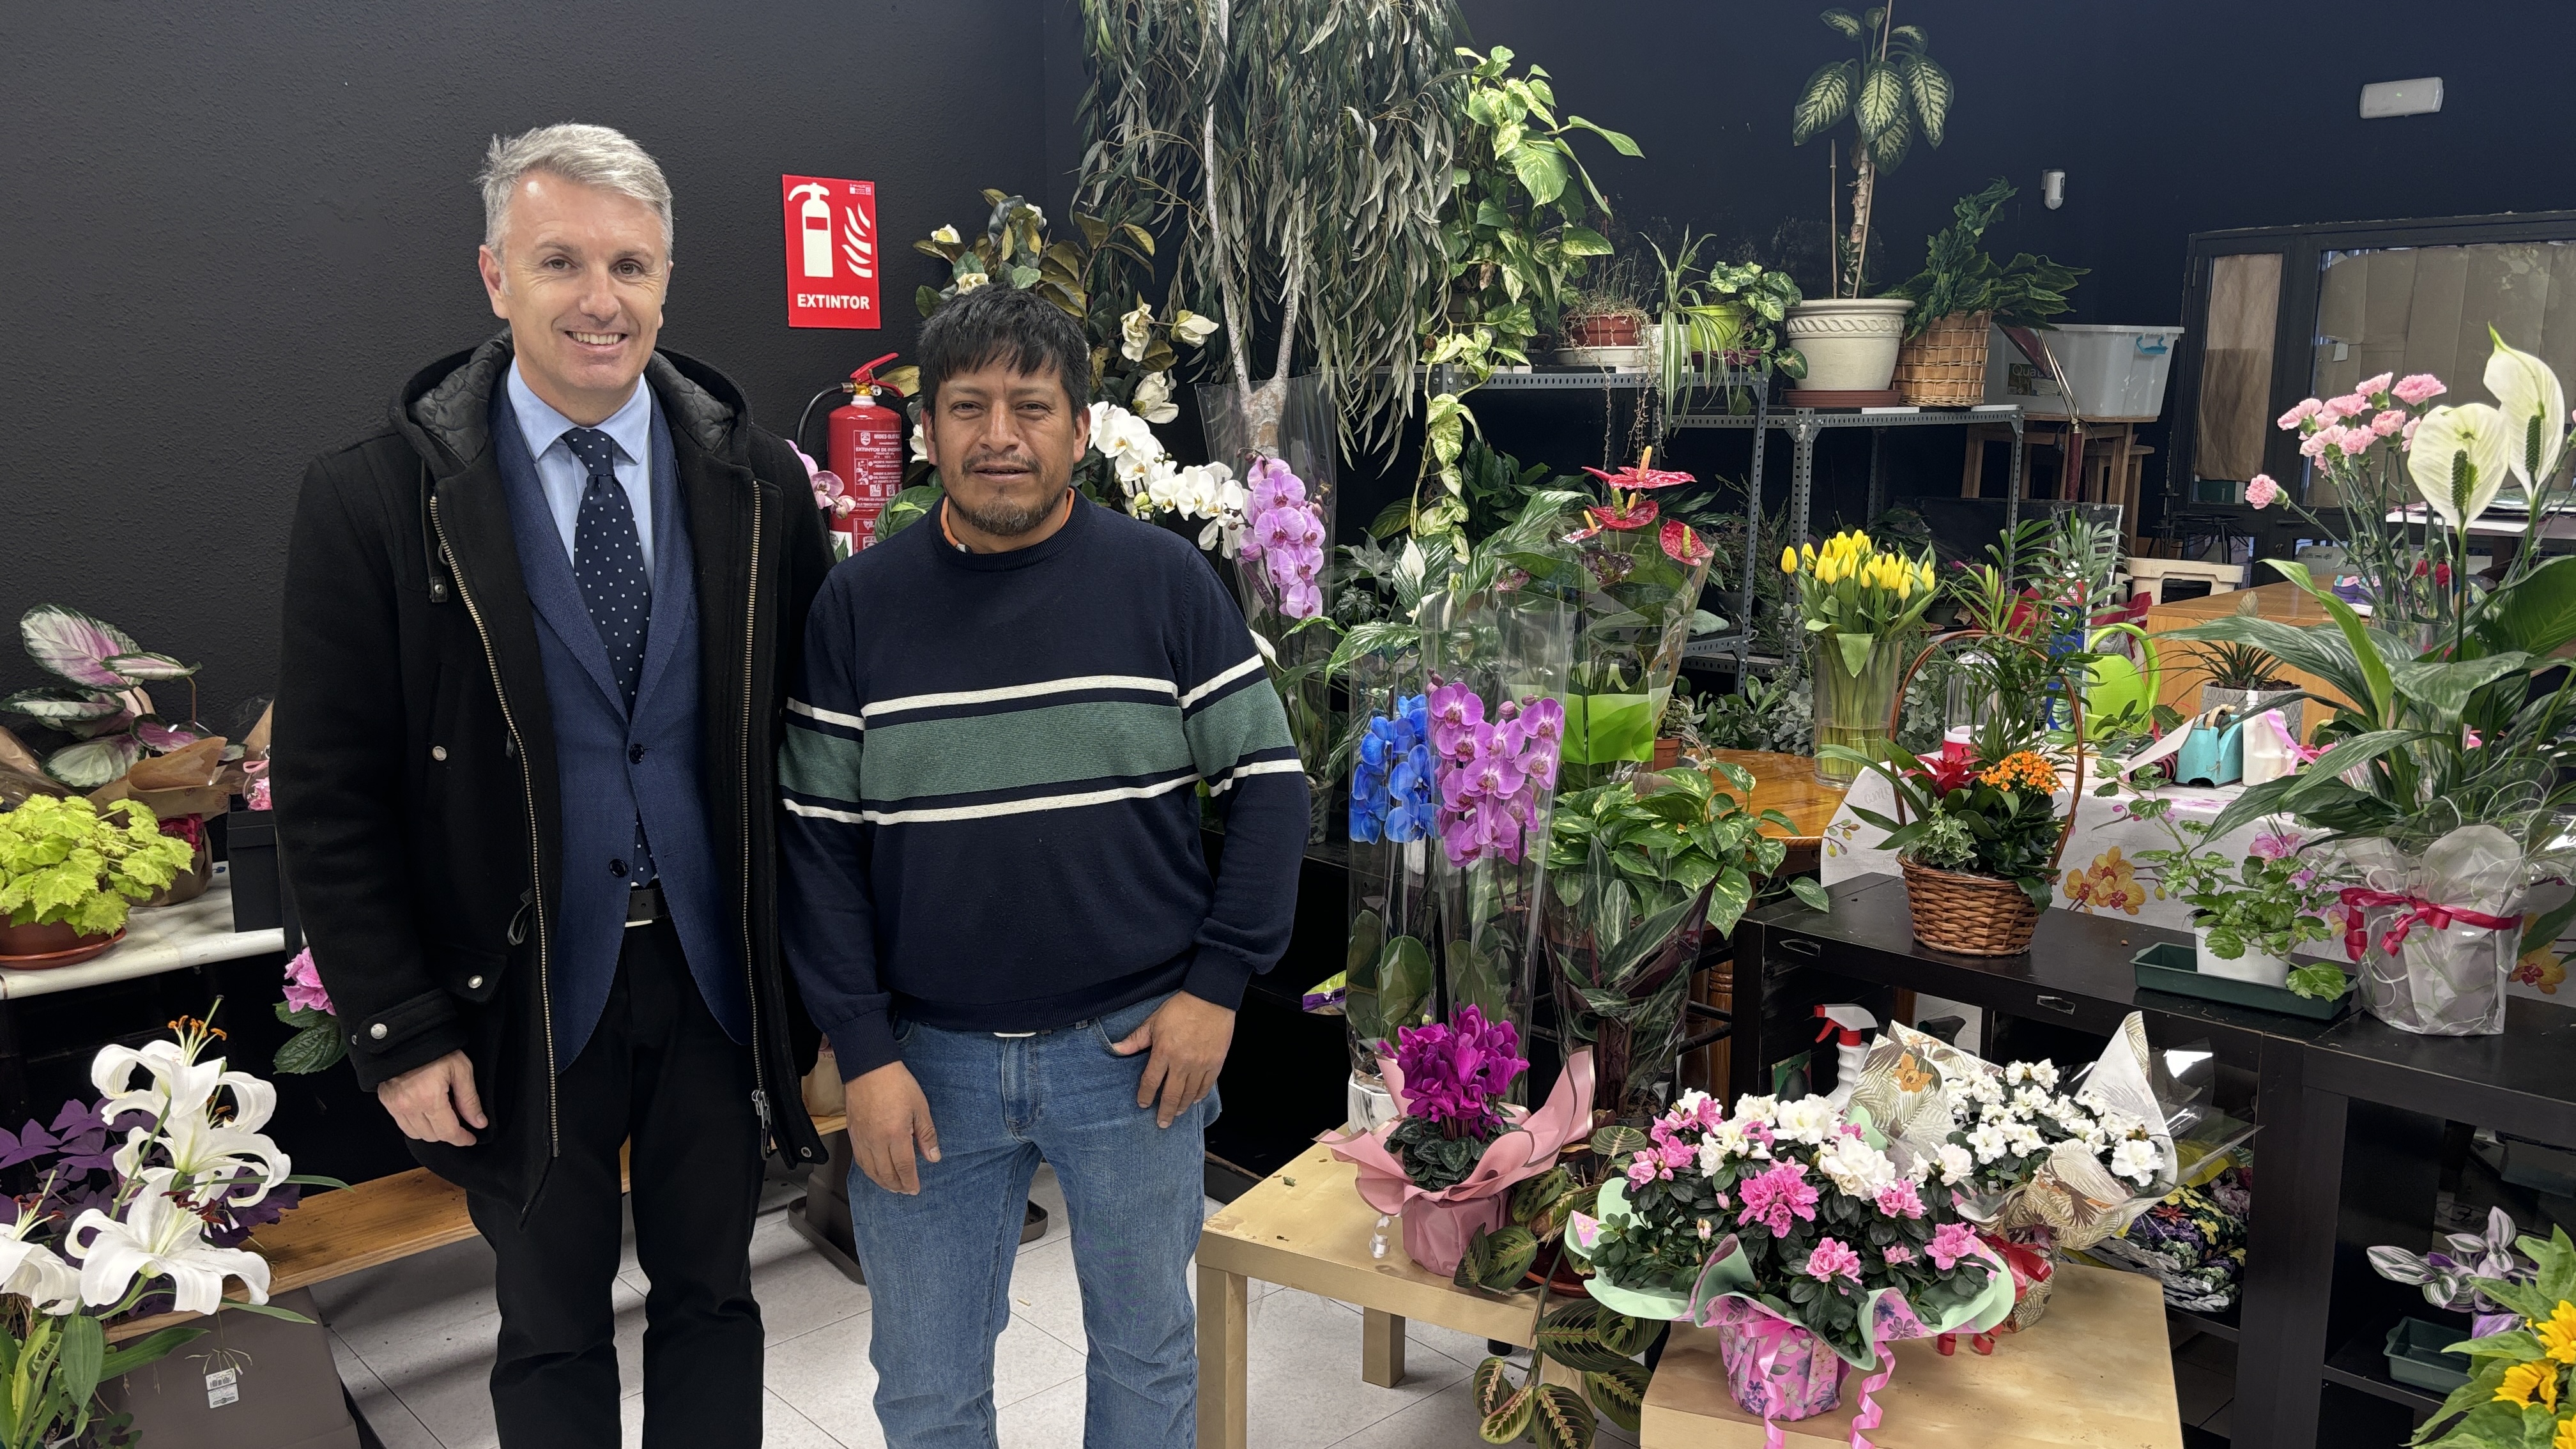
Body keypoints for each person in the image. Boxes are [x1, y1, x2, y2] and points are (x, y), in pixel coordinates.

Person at [275, 122, 832, 1449]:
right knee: (551, 1324)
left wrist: (816, 990)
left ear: (666, 280)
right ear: (493, 277)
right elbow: (327, 794)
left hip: (713, 986)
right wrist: (397, 1028)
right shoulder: (375, 502)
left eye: (631, 265)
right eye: (560, 261)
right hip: (514, 998)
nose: (600, 299)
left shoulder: (758, 490)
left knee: (716, 1300)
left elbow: (811, 753)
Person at [779, 284, 1307, 1447]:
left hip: (1133, 1058)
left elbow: (1270, 788)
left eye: (1032, 405)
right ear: (931, 433)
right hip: (925, 1072)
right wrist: (860, 1051)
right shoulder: (858, 609)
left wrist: (1217, 989)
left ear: (1080, 426)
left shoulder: (1165, 585)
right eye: (967, 407)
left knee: (1149, 1361)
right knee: (925, 1390)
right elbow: (814, 846)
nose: (998, 436)